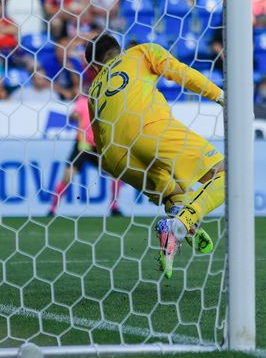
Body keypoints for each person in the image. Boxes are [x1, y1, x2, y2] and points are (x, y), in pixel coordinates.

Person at [86, 34, 225, 279]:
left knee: (173, 191)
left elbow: (97, 142)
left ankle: (174, 220)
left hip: (116, 158)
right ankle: (182, 223)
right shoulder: (140, 51)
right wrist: (220, 96)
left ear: (94, 67)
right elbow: (180, 72)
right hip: (149, 126)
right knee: (227, 173)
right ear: (119, 48)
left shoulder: (93, 91)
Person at [48, 93, 124, 217]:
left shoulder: (108, 102)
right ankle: (52, 209)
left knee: (117, 174)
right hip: (82, 146)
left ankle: (114, 206)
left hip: (99, 147)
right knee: (67, 176)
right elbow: (72, 117)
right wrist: (74, 116)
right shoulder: (83, 101)